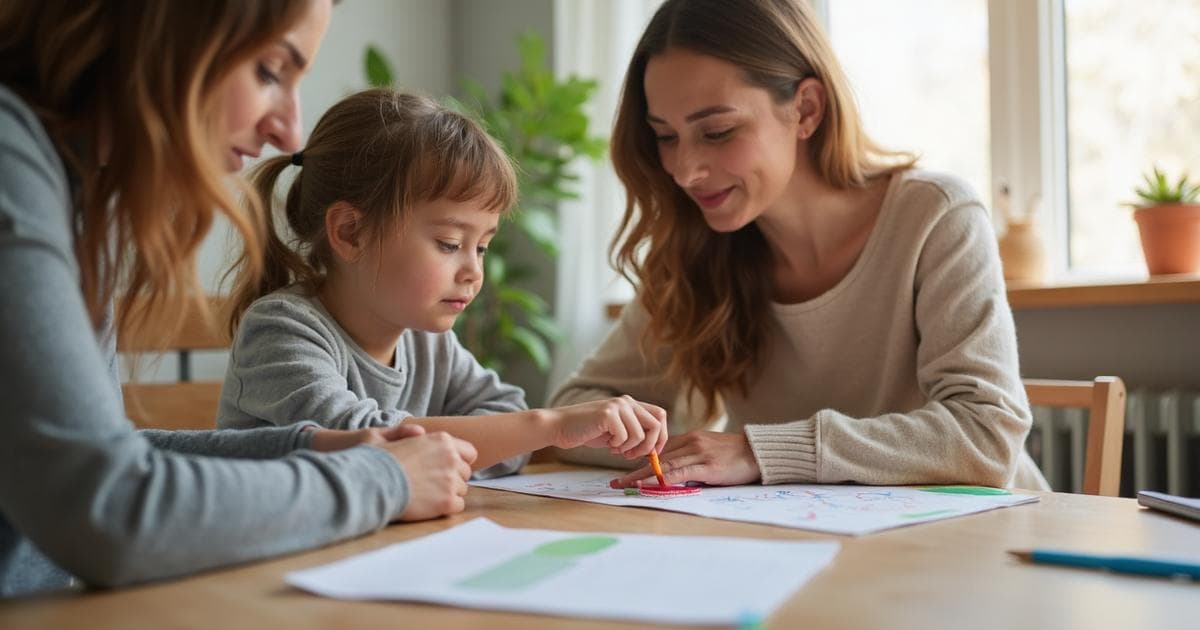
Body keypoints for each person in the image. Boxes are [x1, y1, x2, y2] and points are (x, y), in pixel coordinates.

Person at [0, 0, 477, 597]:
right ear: (163, 25)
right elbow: (106, 507)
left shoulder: (62, 186)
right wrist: (382, 479)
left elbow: (91, 459)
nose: (289, 132)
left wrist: (309, 445)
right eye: (270, 71)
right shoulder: (10, 172)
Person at [550, 0, 1050, 492]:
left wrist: (754, 452)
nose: (684, 170)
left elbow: (987, 434)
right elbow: (573, 409)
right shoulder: (696, 251)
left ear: (806, 109)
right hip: (813, 546)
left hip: (988, 545)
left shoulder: (935, 217)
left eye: (717, 131)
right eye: (665, 136)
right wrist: (681, 451)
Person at [218, 89, 668, 474]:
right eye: (450, 243)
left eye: (483, 247)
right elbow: (363, 444)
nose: (474, 271)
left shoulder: (425, 342)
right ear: (351, 233)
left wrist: (517, 435)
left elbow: (506, 419)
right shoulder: (280, 329)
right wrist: (549, 426)